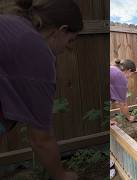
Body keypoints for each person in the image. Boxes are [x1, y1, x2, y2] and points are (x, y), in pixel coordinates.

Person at [0, 0, 83, 179]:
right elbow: (40, 139)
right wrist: (61, 176)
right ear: (61, 30)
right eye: (71, 40)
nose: (69, 47)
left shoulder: (12, 24)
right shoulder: (37, 51)